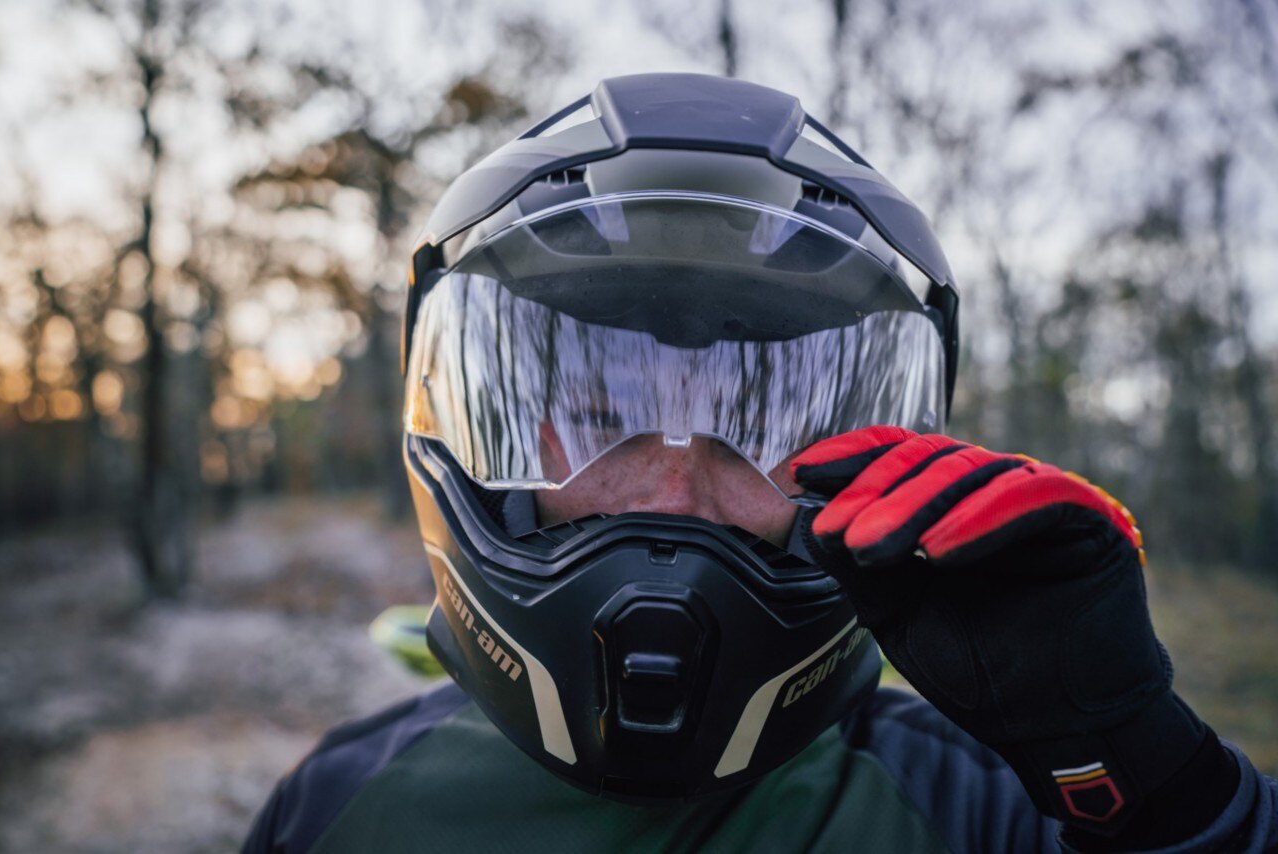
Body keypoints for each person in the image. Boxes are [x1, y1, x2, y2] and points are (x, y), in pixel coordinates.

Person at [244, 73, 1276, 852]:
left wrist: (1142, 769)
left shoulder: (991, 805)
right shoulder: (336, 808)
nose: (674, 495)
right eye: (604, 411)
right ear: (488, 440)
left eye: (762, 431)